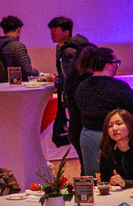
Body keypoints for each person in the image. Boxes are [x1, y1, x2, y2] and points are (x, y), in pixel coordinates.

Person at [74, 46, 133, 177]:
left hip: (88, 137)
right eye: (116, 62)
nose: (117, 65)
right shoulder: (119, 86)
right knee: (119, 177)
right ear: (107, 65)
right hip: (115, 138)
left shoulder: (82, 87)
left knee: (95, 178)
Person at [49, 16, 87, 153]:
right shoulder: (62, 48)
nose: (52, 34)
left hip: (75, 96)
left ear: (66, 32)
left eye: (55, 31)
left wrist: (58, 81)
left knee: (77, 131)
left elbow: (71, 78)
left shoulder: (69, 51)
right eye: (51, 31)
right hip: (78, 95)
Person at [60, 42, 96, 162]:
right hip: (86, 129)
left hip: (75, 128)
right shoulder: (89, 81)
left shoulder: (71, 77)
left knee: (85, 165)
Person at [98, 109, 133, 188]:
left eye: (119, 124)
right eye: (110, 126)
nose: (114, 128)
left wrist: (125, 183)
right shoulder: (107, 150)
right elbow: (105, 181)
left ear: (130, 125)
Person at [0, 16, 39, 83]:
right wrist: (37, 73)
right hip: (13, 88)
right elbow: (27, 71)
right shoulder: (17, 46)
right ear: (18, 30)